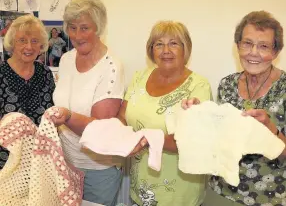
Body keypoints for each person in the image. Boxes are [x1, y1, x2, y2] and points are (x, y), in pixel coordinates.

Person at [52, 20, 212, 205]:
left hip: (179, 191)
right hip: (141, 186)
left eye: (173, 43)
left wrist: (144, 141)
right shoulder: (140, 77)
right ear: (151, 49)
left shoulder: (198, 86)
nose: (166, 50)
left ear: (186, 49)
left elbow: (191, 140)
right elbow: (122, 118)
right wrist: (98, 132)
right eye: (159, 44)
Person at [186, 11, 286, 206]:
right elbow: (217, 140)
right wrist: (198, 114)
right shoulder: (227, 85)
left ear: (275, 52)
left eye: (263, 46)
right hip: (220, 193)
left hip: (269, 198)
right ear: (238, 46)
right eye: (247, 43)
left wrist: (271, 130)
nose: (253, 52)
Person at [52, 0, 125, 206]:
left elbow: (99, 128)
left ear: (99, 28)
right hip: (65, 162)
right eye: (72, 27)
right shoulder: (66, 59)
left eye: (85, 28)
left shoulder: (111, 67)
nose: (77, 35)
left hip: (97, 168)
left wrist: (66, 116)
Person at [0, 14, 55, 168]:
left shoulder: (45, 73)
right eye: (22, 40)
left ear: (41, 45)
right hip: (6, 163)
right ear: (12, 43)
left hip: (40, 162)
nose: (29, 47)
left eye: (35, 41)